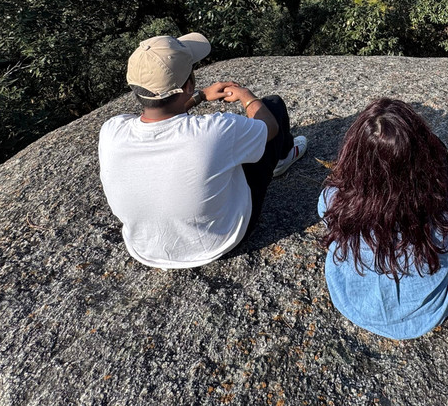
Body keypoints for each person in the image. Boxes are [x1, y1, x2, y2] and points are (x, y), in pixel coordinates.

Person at [98, 32, 307, 268]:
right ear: (188, 84)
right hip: (222, 240)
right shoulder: (215, 131)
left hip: (145, 248)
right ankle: (283, 158)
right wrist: (246, 96)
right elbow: (269, 127)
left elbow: (161, 117)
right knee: (273, 106)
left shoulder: (111, 131)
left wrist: (197, 97)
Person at [318, 98, 448, 340]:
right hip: (426, 312)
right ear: (425, 155)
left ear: (353, 155)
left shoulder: (332, 198)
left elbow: (330, 221)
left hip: (353, 301)